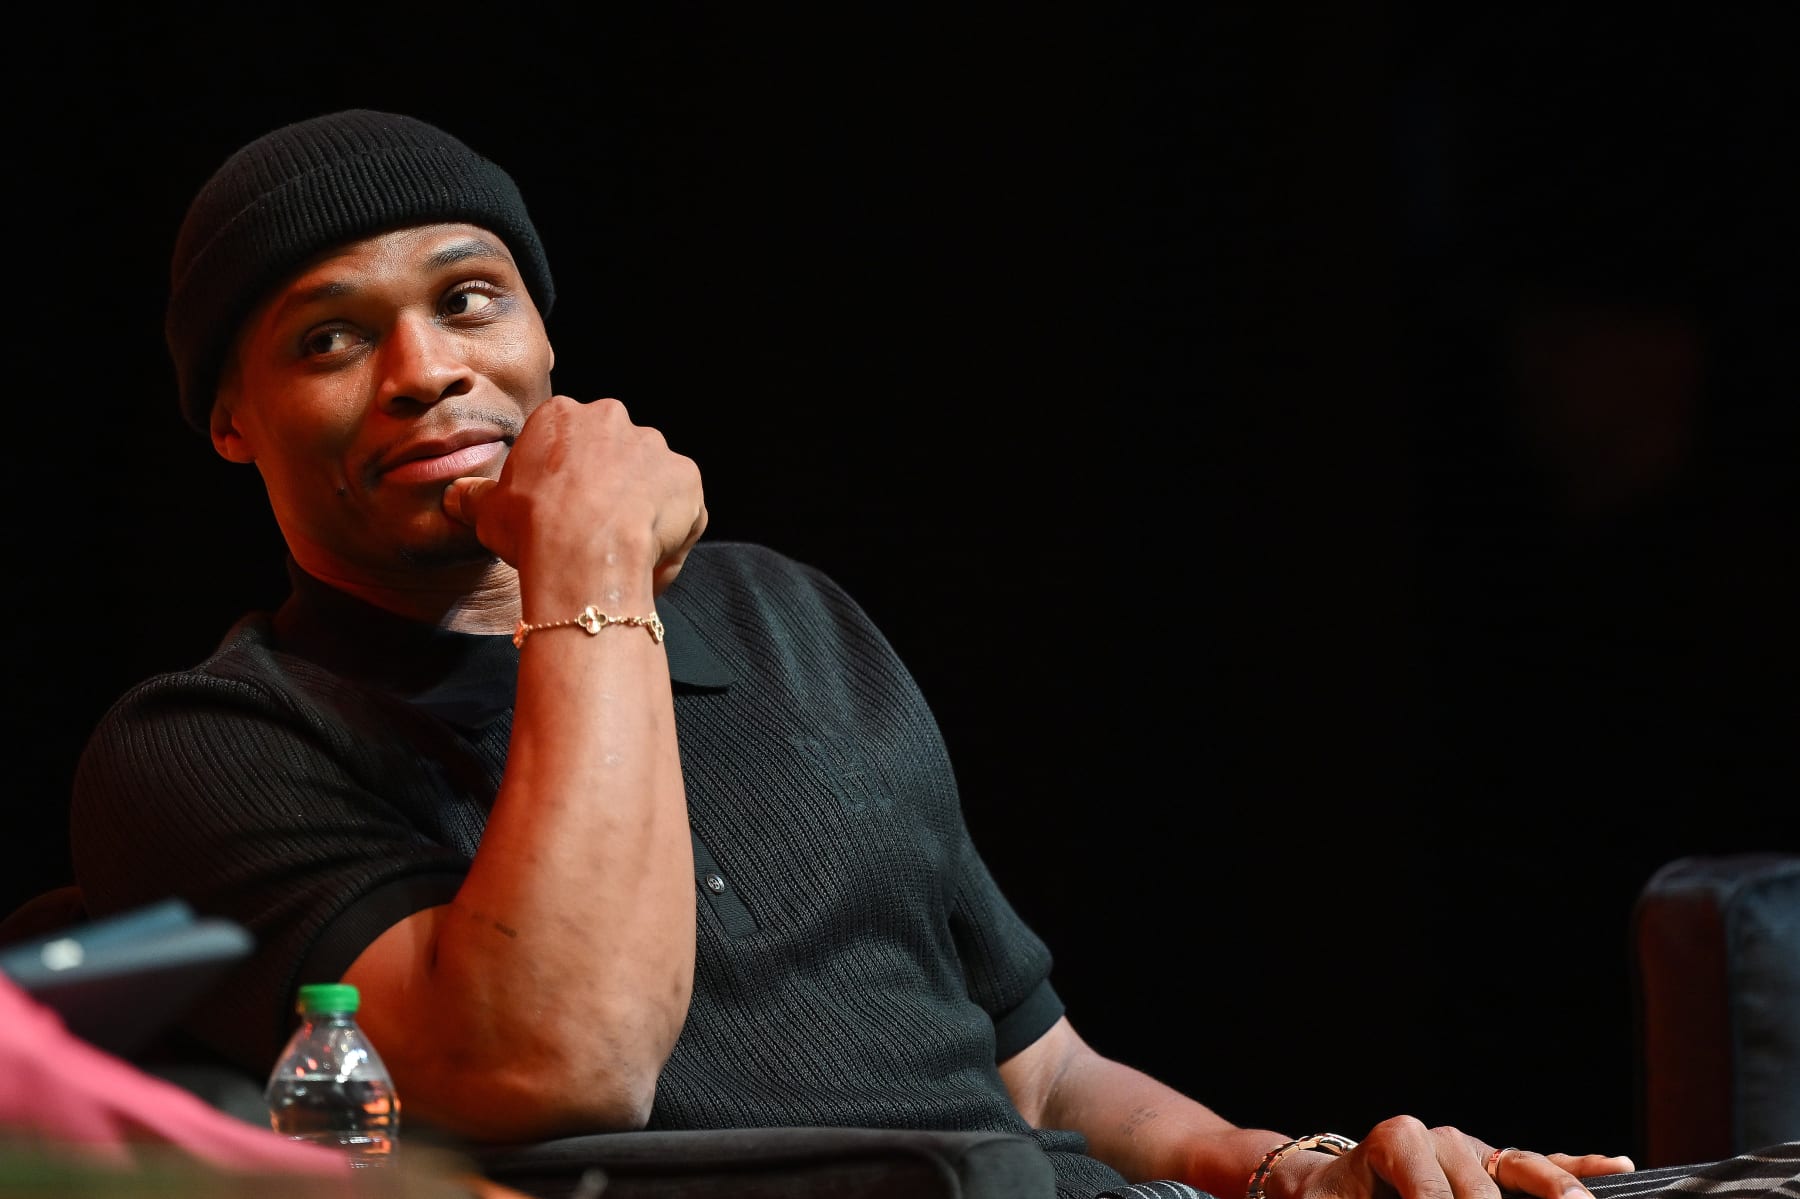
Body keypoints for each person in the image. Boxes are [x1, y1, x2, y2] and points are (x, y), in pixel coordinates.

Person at [56, 108, 1705, 1199]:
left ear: (545, 336)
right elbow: (556, 1059)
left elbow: (1036, 1069)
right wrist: (589, 563)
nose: (425, 370)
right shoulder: (212, 741)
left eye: (470, 300)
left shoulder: (783, 615)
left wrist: (1291, 1170)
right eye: (330, 339)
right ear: (231, 422)